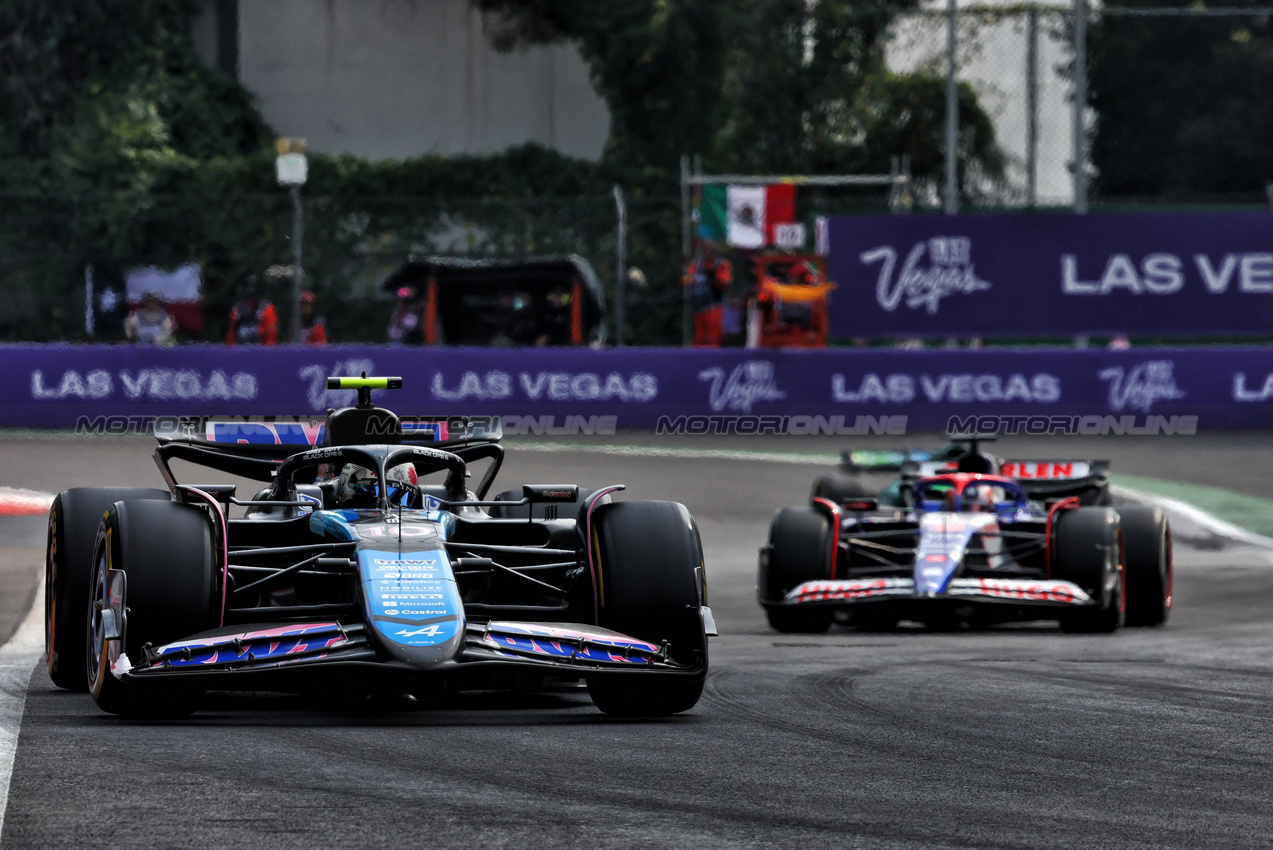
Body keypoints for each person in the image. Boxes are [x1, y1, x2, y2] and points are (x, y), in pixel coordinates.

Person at [684, 244, 732, 347]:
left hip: (713, 306)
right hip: (698, 306)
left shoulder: (721, 264)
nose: (707, 252)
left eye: (710, 250)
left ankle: (713, 360)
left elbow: (724, 282)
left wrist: (712, 276)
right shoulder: (696, 264)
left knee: (713, 339)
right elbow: (687, 278)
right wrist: (693, 279)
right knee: (699, 339)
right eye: (705, 249)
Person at [225, 279, 279, 346]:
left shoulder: (267, 308)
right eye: (247, 287)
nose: (250, 290)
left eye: (253, 287)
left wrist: (268, 352)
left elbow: (271, 333)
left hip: (260, 349)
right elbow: (231, 332)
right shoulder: (237, 308)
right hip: (239, 348)